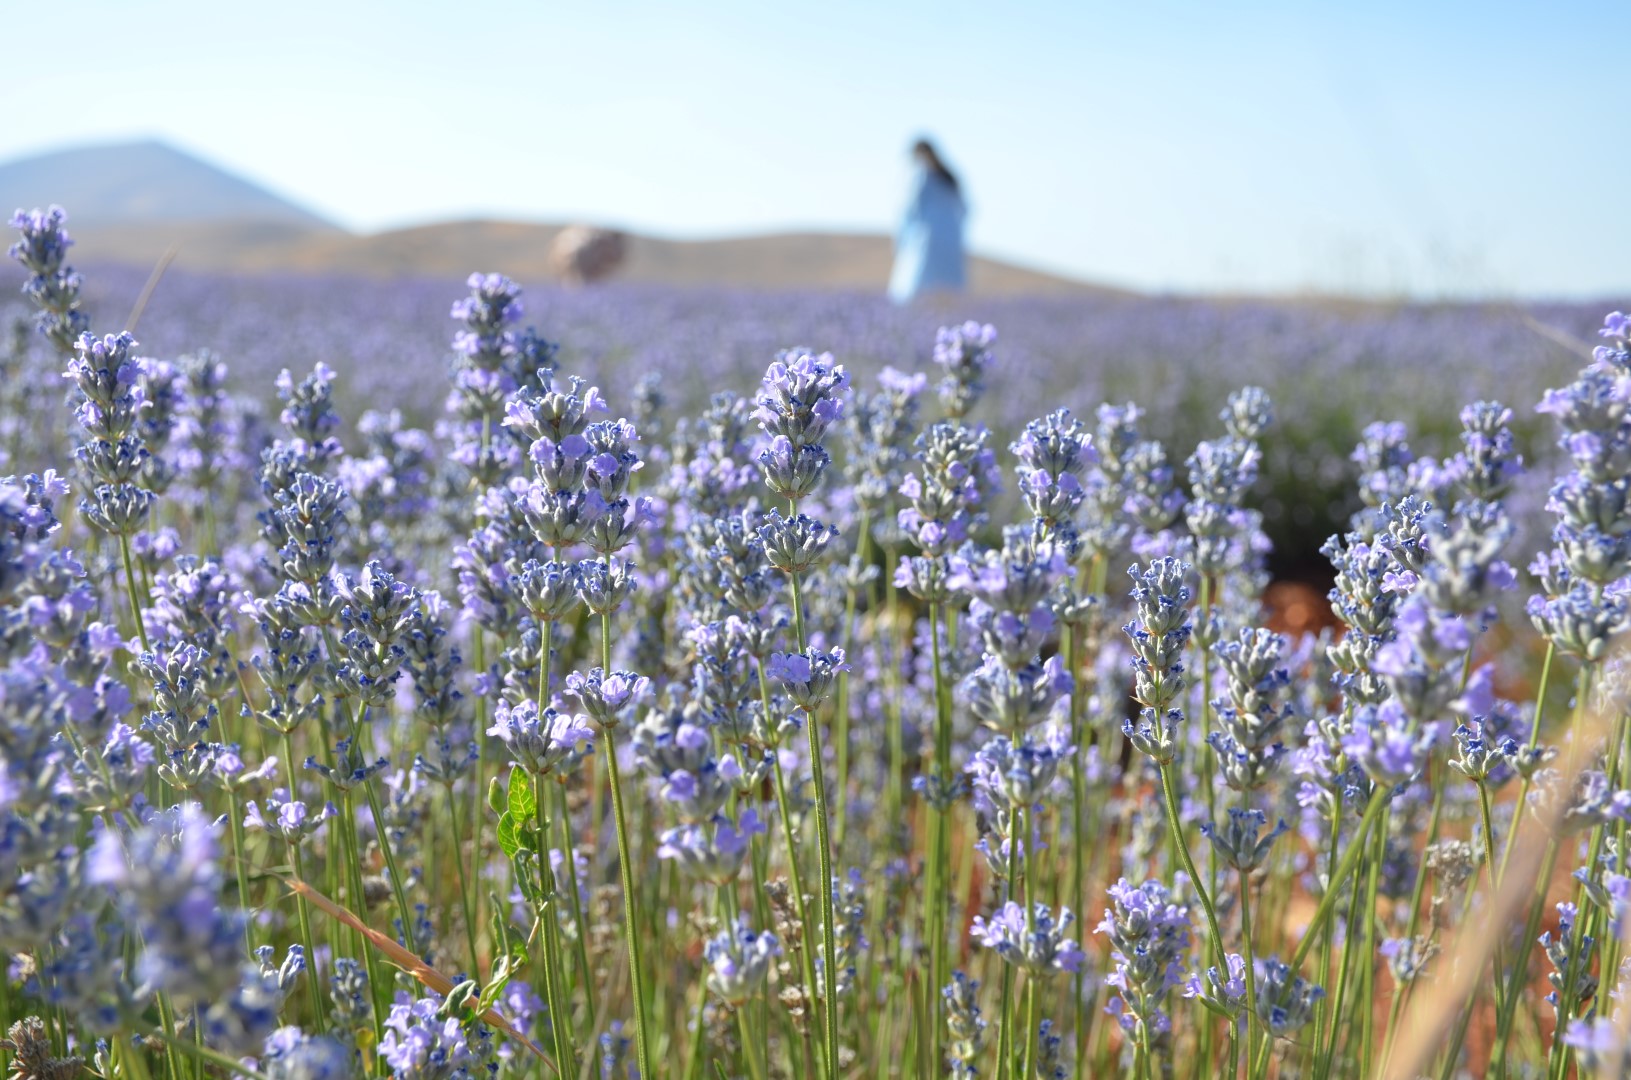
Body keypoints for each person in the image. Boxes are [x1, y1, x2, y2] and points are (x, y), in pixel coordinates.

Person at [888, 138, 967, 303]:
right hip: (950, 240)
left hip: (925, 239)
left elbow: (908, 209)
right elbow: (964, 210)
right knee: (948, 291)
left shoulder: (920, 175)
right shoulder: (949, 178)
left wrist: (901, 237)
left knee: (916, 286)